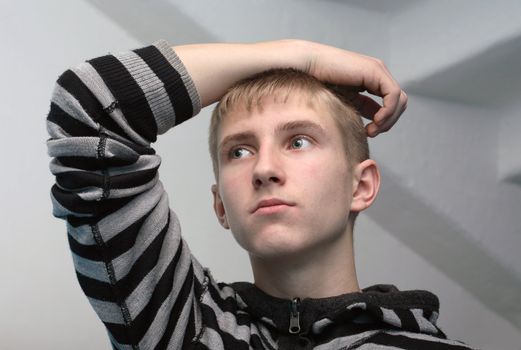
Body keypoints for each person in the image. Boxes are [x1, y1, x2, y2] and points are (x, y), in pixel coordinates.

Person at [47, 39, 474, 349]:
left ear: (360, 186)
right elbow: (89, 109)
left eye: (299, 141)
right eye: (240, 150)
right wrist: (303, 55)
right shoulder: (185, 328)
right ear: (221, 205)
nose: (265, 169)